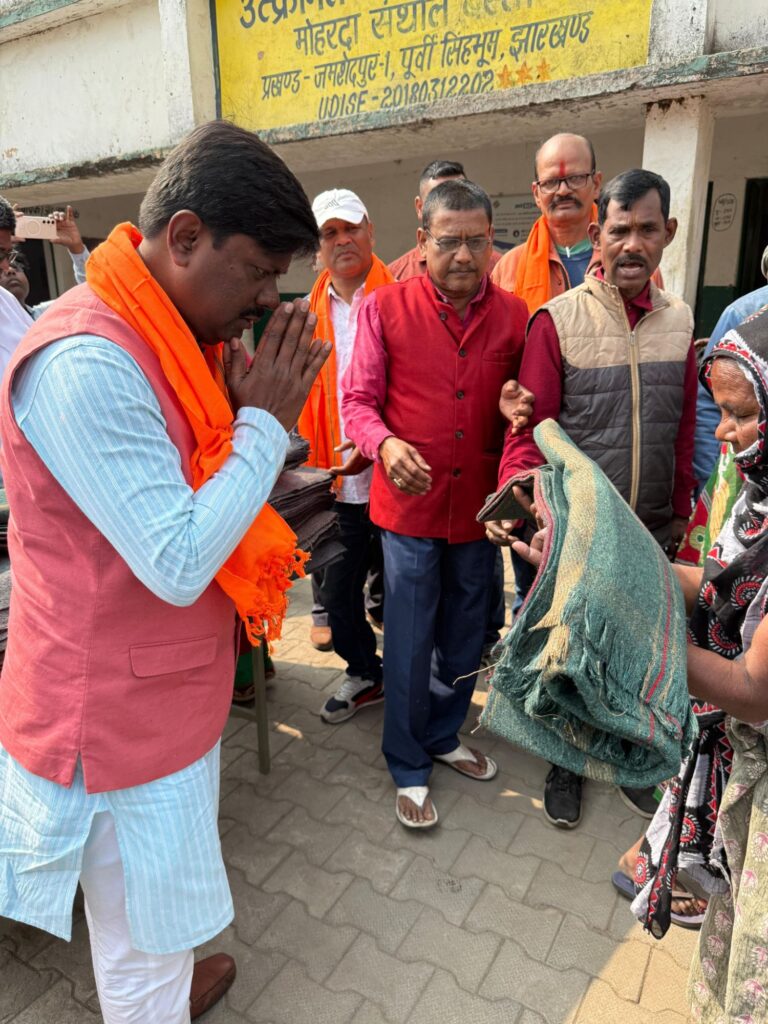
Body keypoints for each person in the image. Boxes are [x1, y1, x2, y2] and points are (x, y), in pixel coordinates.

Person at [0, 120, 329, 1023]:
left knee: (156, 917)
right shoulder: (86, 362)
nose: (265, 297)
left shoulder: (175, 337)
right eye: (257, 271)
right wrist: (263, 424)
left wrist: (246, 413)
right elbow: (179, 560)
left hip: (163, 702)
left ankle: (170, 976)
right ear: (184, 237)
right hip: (111, 728)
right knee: (139, 945)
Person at [514, 304, 768, 1022]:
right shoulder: (760, 501)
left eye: (741, 416)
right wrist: (600, 562)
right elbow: (717, 583)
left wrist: (637, 633)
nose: (722, 432)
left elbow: (754, 689)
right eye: (720, 411)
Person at [486, 168, 698, 830]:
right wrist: (522, 502)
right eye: (619, 230)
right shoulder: (558, 322)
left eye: (646, 230)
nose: (632, 245)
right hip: (581, 534)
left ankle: (631, 759)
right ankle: (566, 764)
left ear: (669, 232)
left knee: (635, 649)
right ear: (598, 235)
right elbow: (529, 434)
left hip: (652, 526)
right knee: (569, 657)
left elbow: (686, 427)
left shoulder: (680, 320)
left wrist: (683, 510)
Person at [342, 179, 527, 828]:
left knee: (465, 633)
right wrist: (385, 444)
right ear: (423, 242)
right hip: (409, 511)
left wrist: (517, 443)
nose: (465, 255)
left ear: (493, 240)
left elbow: (522, 412)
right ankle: (407, 761)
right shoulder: (384, 308)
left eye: (478, 241)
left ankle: (445, 734)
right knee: (411, 638)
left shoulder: (515, 316)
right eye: (449, 242)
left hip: (478, 510)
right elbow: (356, 403)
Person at [296, 188, 392, 721]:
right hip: (336, 481)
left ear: (370, 231)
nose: (342, 240)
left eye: (351, 228)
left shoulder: (403, 299)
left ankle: (411, 678)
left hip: (397, 479)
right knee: (337, 596)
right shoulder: (302, 318)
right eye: (329, 233)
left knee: (405, 594)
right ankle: (364, 672)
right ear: (318, 248)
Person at [693, 243, 768, 490]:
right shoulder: (742, 313)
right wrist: (711, 479)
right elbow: (710, 400)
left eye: (744, 415)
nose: (721, 432)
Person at [388, 159, 501, 282]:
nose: (463, 257)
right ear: (420, 207)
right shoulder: (394, 276)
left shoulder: (501, 269)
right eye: (439, 197)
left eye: (459, 196)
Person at [0, 206, 91, 319]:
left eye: (16, 267)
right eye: (0, 271)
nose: (10, 270)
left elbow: (92, 293)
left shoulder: (46, 315)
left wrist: (76, 248)